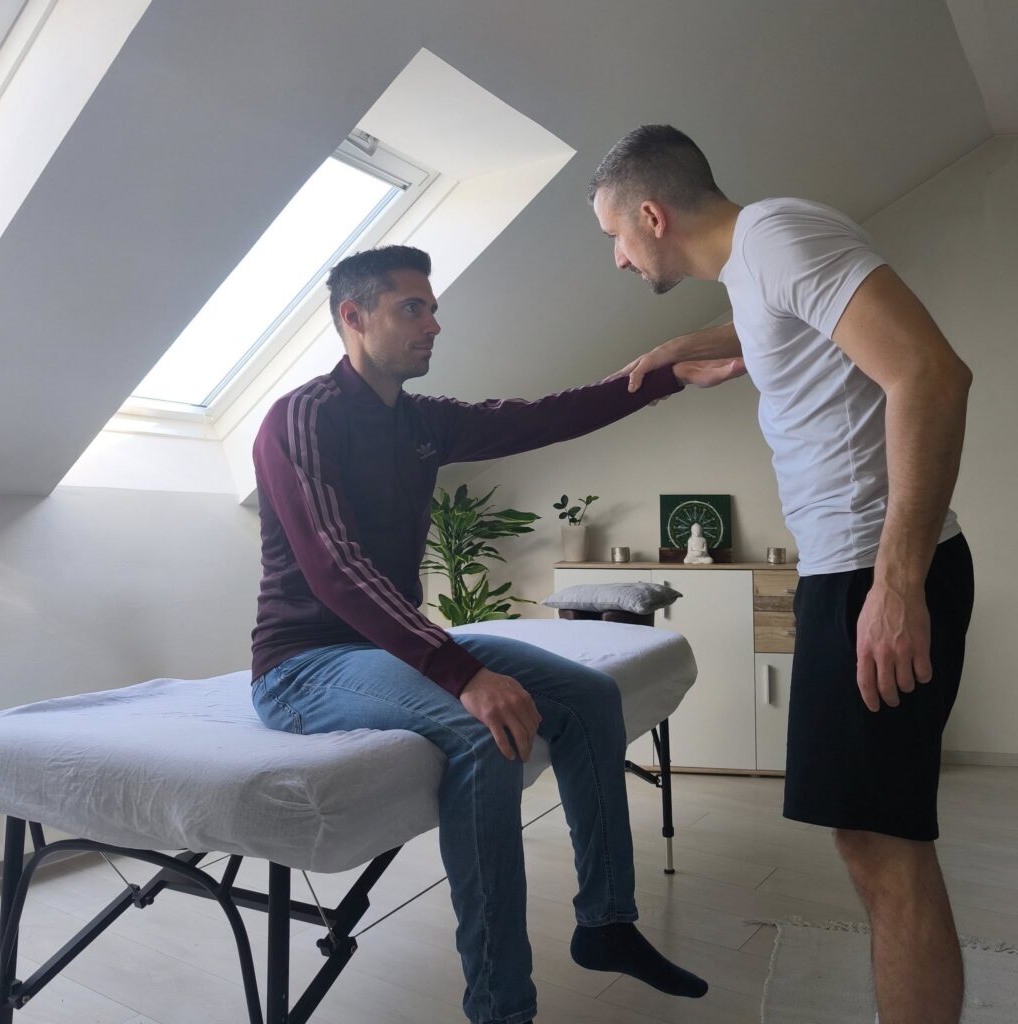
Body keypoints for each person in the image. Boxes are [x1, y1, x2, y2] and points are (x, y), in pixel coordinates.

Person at [250, 244, 744, 1024]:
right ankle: (500, 1005)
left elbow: (542, 416)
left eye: (433, 307)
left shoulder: (420, 421)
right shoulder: (301, 418)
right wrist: (462, 674)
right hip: (304, 667)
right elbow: (335, 567)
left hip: (387, 646)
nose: (434, 323)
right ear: (354, 316)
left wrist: (665, 377)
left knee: (588, 696)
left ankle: (607, 925)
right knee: (482, 732)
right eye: (413, 307)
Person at [589, 125, 974, 1024]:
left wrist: (897, 585)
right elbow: (789, 312)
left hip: (876, 571)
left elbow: (933, 375)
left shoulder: (779, 233)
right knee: (871, 845)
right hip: (850, 571)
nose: (616, 257)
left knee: (887, 852)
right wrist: (701, 345)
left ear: (653, 215)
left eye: (615, 234)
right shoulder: (758, 261)